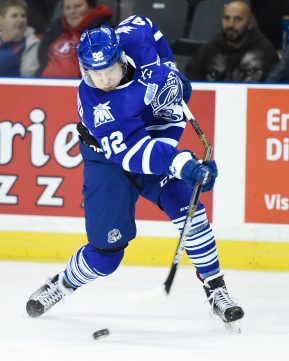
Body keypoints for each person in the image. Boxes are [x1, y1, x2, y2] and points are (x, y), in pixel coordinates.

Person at [26, 15, 244, 332]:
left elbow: (147, 25)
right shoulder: (99, 104)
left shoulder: (132, 36)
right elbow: (137, 156)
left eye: (108, 70)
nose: (102, 79)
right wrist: (186, 165)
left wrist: (171, 71)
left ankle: (215, 287)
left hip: (154, 141)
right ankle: (63, 283)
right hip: (110, 160)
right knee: (105, 257)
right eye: (93, 73)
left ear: (120, 57)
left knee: (190, 211)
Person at [185, 0, 279, 82]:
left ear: (250, 23)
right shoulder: (207, 51)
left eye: (238, 19)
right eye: (226, 18)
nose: (230, 24)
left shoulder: (266, 51)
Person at [37, 0, 112, 78]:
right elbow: (42, 57)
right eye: (67, 8)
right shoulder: (55, 28)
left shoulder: (104, 31)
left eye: (78, 6)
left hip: (79, 86)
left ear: (91, 6)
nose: (72, 12)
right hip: (43, 84)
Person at [0, 0, 40, 77]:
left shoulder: (32, 45)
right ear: (1, 19)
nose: (20, 20)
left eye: (23, 16)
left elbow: (29, 78)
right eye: (14, 16)